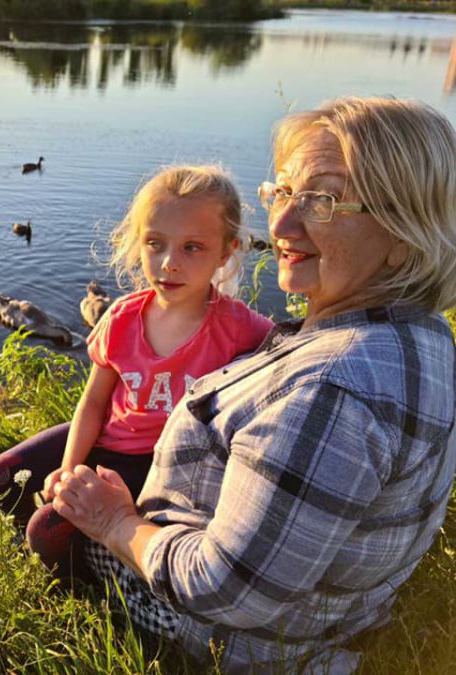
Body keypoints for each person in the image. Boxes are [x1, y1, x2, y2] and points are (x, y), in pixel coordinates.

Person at [50, 97, 456, 673]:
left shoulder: (333, 393)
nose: (283, 225)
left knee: (50, 526)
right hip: (339, 603)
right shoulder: (423, 333)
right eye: (284, 192)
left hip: (235, 636)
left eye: (323, 200)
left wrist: (117, 524)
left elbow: (222, 589)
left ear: (403, 232)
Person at [0, 165, 274, 574]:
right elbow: (93, 403)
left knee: (45, 530)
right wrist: (68, 469)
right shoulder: (121, 317)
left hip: (155, 466)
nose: (169, 263)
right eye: (156, 243)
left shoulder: (238, 327)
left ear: (225, 252)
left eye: (192, 248)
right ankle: (54, 535)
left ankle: (84, 573)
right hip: (105, 440)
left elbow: (296, 351)